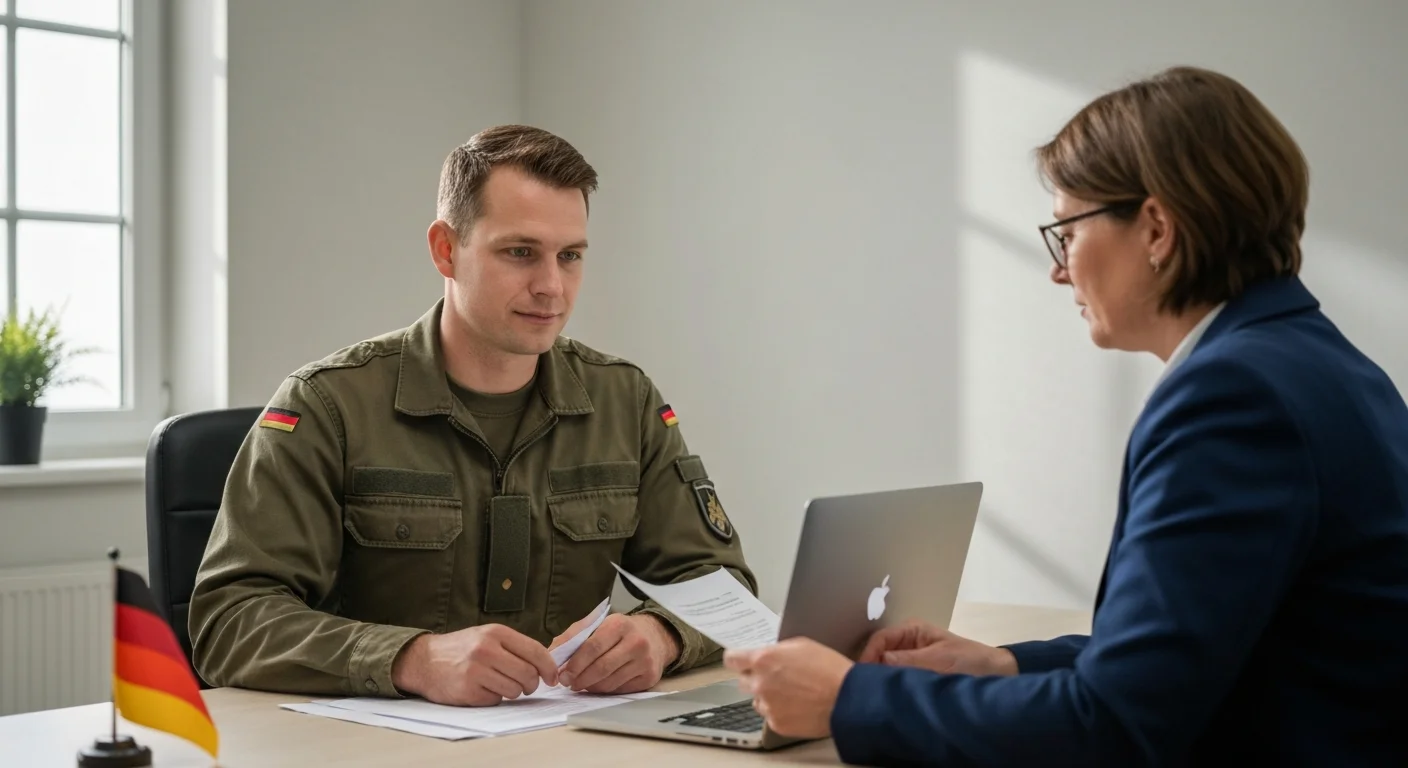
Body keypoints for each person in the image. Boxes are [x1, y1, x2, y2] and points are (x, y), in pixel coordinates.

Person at [725, 66, 1408, 765]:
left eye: (1067, 233)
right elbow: (1198, 656)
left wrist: (849, 700)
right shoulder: (1327, 366)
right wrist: (999, 666)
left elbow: (1112, 727)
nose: (1058, 271)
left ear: (1156, 228)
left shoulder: (1231, 398)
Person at [189, 124, 757, 707]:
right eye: (520, 252)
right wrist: (410, 659)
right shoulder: (326, 405)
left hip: (566, 746)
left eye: (570, 256)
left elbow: (723, 583)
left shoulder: (626, 401)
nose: (552, 287)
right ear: (445, 249)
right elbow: (229, 620)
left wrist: (660, 636)